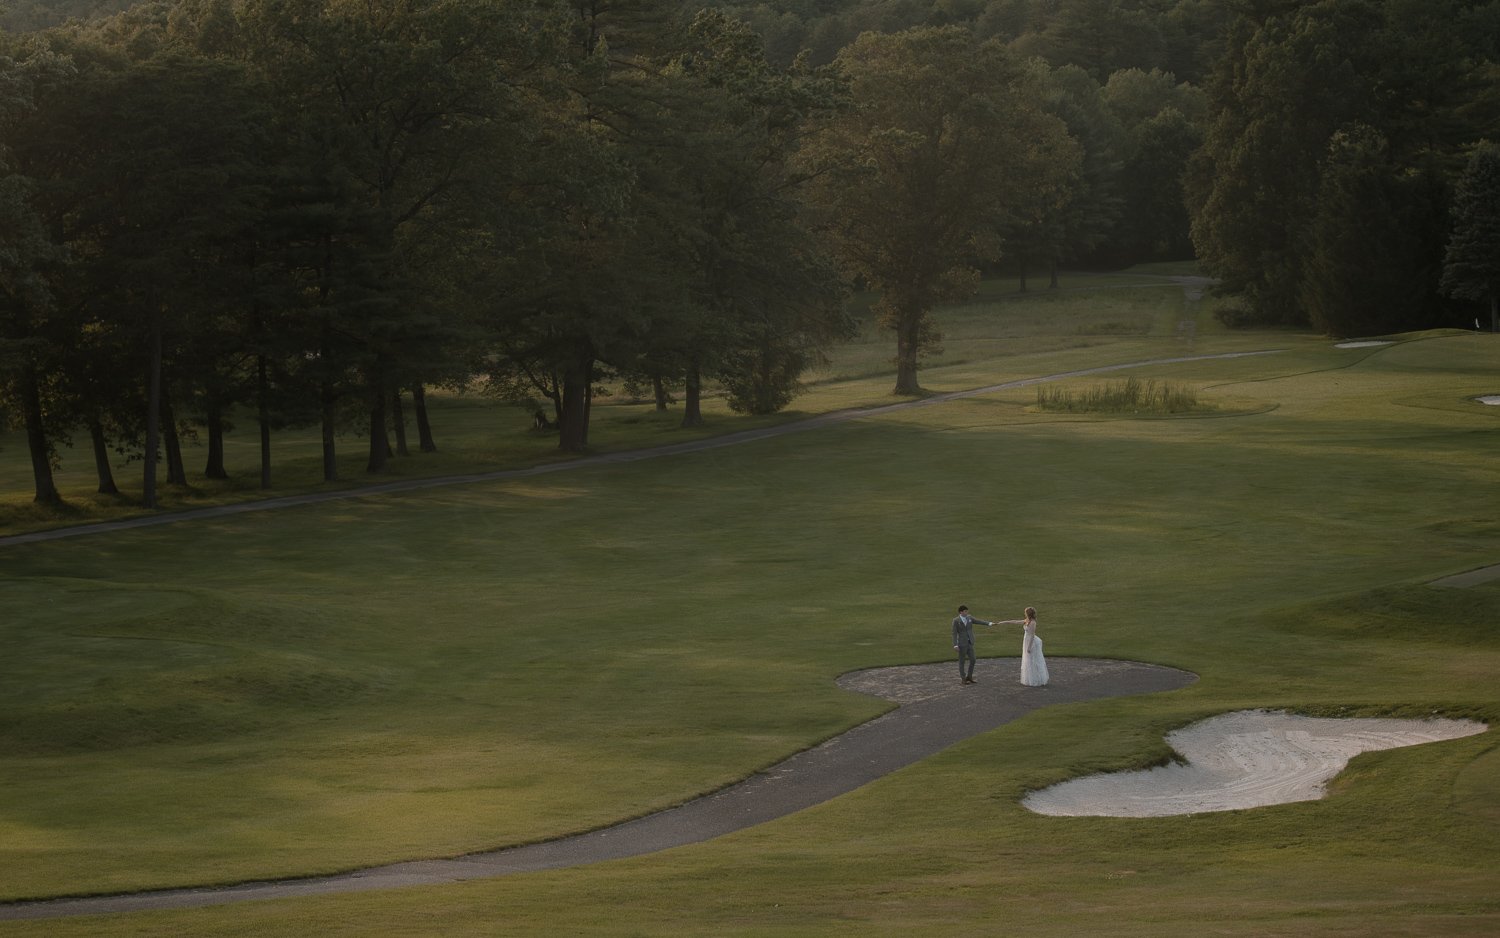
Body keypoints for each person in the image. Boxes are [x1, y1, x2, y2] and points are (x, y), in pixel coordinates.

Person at [951, 605, 997, 685]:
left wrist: (989, 623)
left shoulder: (969, 618)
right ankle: (963, 678)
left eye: (967, 611)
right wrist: (955, 645)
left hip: (970, 642)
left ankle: (969, 676)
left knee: (973, 659)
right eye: (965, 611)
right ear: (961, 612)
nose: (966, 613)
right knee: (962, 662)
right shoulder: (956, 621)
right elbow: (954, 634)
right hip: (961, 644)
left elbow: (979, 621)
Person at [1017, 607, 1048, 686]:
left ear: (1028, 614)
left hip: (1031, 643)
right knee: (1028, 660)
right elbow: (1016, 621)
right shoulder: (1027, 620)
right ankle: (1031, 679)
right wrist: (1003, 622)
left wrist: (1029, 647)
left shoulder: (1033, 623)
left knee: (1033, 660)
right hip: (1026, 641)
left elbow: (1032, 636)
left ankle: (1036, 679)